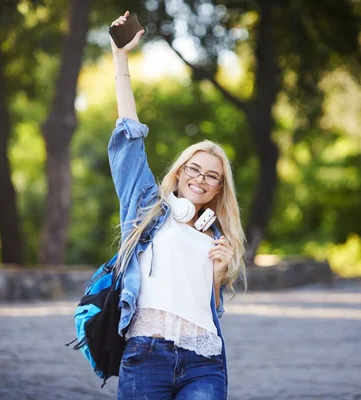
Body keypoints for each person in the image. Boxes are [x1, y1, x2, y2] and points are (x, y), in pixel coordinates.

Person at [108, 11, 246, 400]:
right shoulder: (147, 208)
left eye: (212, 176)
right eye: (194, 169)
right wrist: (121, 59)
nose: (200, 179)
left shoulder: (218, 235)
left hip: (204, 360)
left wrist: (219, 272)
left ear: (219, 189)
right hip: (146, 356)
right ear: (181, 171)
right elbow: (130, 135)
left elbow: (209, 304)